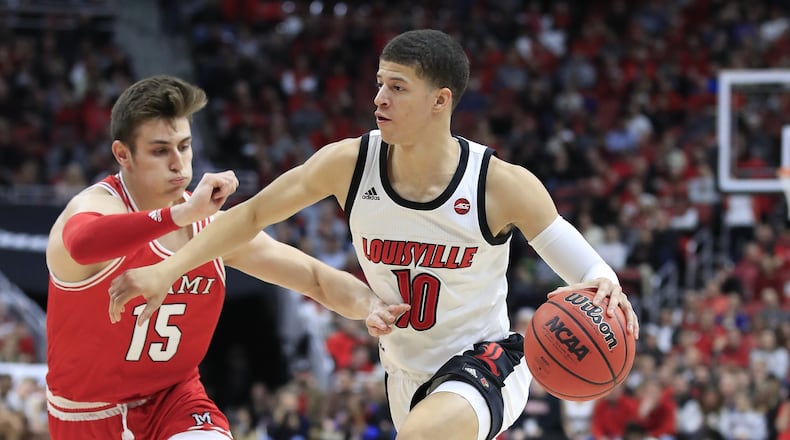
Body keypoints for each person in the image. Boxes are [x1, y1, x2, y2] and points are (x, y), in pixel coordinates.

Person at [109, 30, 640, 440]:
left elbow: (588, 268)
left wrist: (605, 287)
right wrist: (166, 270)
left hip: (487, 361)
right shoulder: (349, 163)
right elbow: (249, 216)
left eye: (398, 87)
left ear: (441, 101)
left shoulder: (499, 185)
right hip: (405, 374)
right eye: (380, 84)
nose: (379, 98)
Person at [44, 75, 402, 440]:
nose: (178, 164)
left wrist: (368, 303)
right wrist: (177, 215)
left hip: (176, 399)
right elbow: (80, 245)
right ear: (124, 155)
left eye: (184, 147)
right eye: (160, 150)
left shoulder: (212, 229)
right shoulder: (97, 205)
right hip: (87, 413)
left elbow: (312, 277)